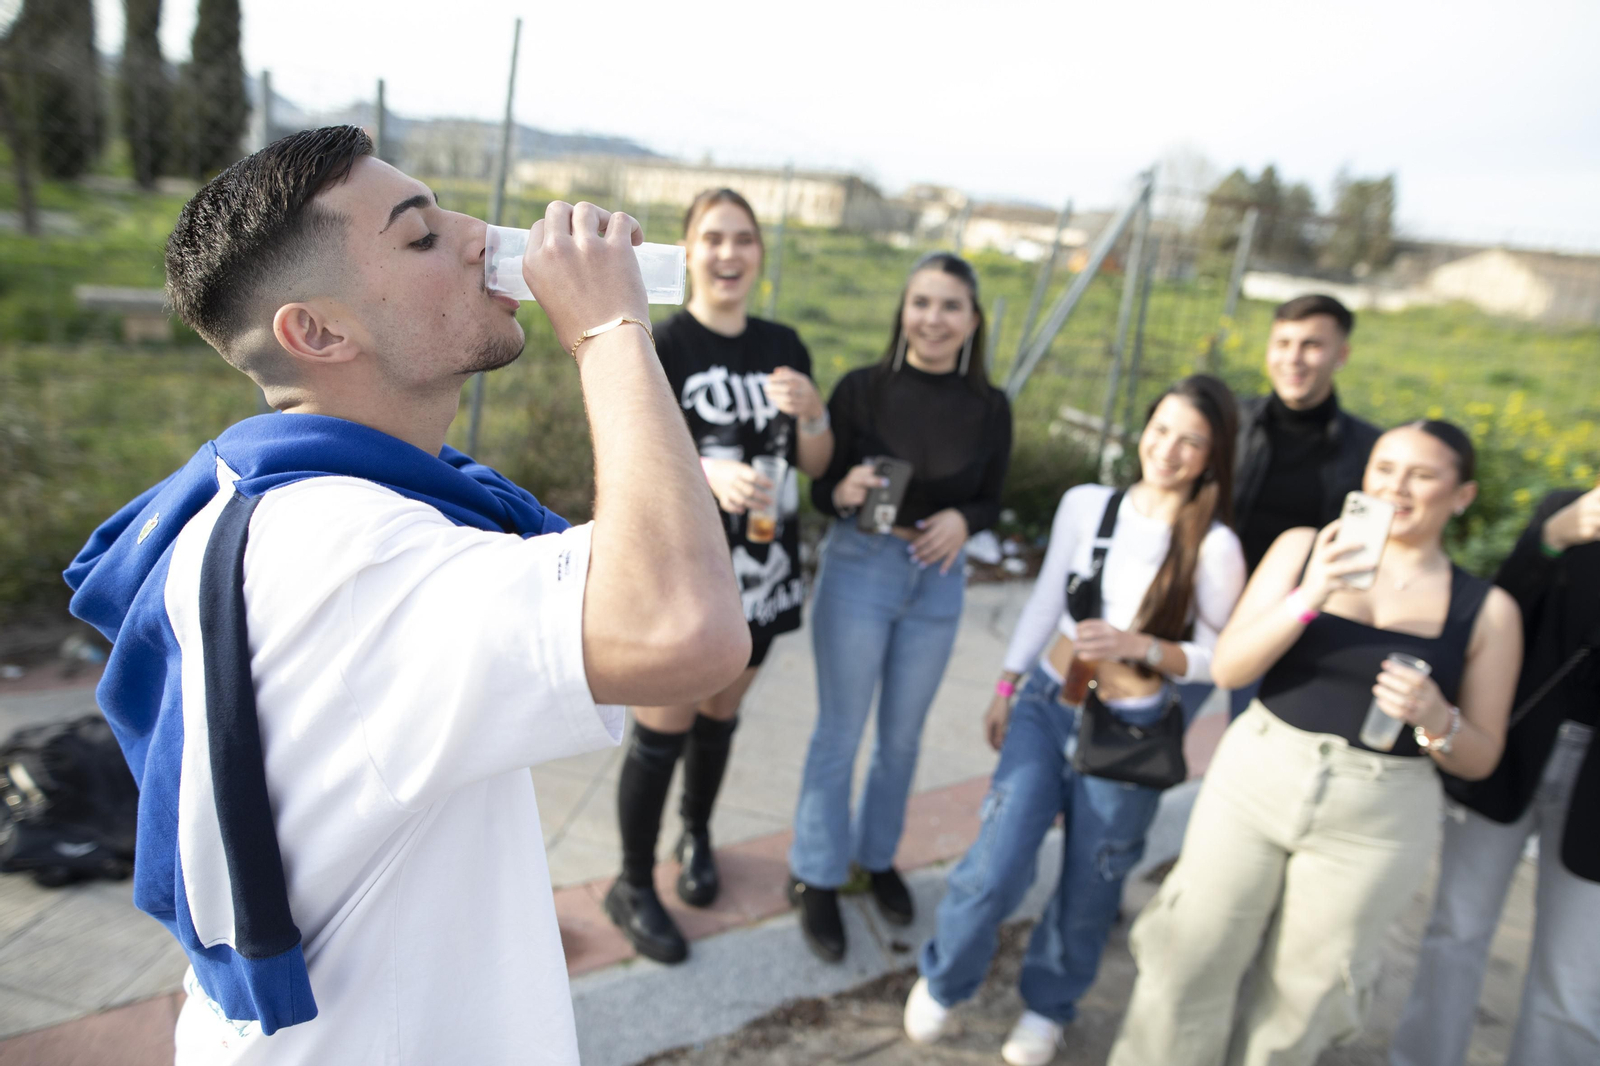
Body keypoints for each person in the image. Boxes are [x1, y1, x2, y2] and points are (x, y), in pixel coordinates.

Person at [61, 127, 749, 1065]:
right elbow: (682, 629)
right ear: (319, 330)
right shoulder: (346, 554)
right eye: (420, 236)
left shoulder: (316, 499)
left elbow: (643, 597)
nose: (479, 237)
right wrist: (608, 331)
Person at [1109, 421, 1523, 1066]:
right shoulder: (1304, 549)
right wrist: (1313, 594)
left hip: (1378, 817)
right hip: (1258, 776)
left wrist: (1437, 717)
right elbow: (1230, 669)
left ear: (1462, 495)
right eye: (1385, 468)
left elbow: (1482, 754)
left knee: (1305, 1000)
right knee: (1187, 960)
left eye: (1422, 474)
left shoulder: (1489, 609)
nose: (1397, 486)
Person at [903, 375, 1246, 1066]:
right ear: (1142, 429)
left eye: (1191, 441)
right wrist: (1006, 682)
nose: (1169, 449)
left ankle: (1047, 1007)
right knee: (997, 862)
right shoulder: (1088, 505)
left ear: (1211, 456)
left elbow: (1225, 659)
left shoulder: (1214, 546)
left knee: (1092, 883)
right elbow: (1043, 599)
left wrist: (1142, 646)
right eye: (1161, 429)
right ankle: (946, 975)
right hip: (1047, 703)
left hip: (1131, 731)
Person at [604, 188, 833, 963]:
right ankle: (633, 881)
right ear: (690, 252)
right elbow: (629, 451)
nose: (729, 253)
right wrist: (707, 472)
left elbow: (816, 465)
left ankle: (696, 838)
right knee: (662, 727)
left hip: (762, 569)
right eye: (713, 239)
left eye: (743, 239)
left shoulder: (785, 343)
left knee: (722, 711)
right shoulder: (662, 342)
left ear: (759, 253)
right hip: (683, 570)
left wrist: (815, 414)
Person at [787, 252, 1012, 962]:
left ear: (973, 321)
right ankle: (818, 874)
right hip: (861, 568)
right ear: (903, 311)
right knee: (840, 732)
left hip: (937, 578)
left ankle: (877, 857)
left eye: (950, 306)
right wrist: (845, 490)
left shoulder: (989, 407)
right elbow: (823, 491)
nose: (934, 318)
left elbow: (993, 494)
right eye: (922, 302)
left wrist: (967, 522)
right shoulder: (863, 389)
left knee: (903, 739)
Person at [1390, 480, 1600, 1066]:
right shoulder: (1565, 508)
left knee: (1577, 976)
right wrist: (1548, 540)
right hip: (1513, 751)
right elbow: (1499, 612)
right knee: (1457, 928)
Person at [1183, 293, 1381, 720]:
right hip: (1198, 613)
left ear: (1341, 354)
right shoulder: (1230, 423)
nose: (1294, 358)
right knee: (1138, 748)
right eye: (1283, 343)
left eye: (1312, 344)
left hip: (1284, 629)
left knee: (1254, 758)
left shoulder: (1369, 453)